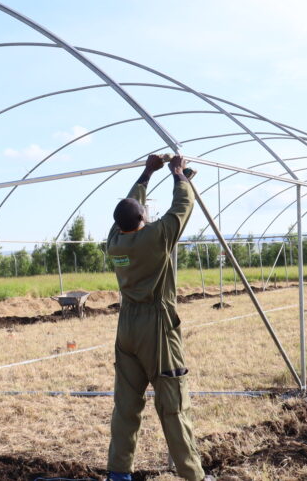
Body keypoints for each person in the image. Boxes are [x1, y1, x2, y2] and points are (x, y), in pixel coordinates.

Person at [105, 154, 212, 481]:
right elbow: (182, 208)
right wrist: (179, 175)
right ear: (142, 218)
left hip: (126, 329)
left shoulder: (115, 242)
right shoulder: (155, 238)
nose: (150, 212)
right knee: (173, 404)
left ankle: (119, 473)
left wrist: (147, 173)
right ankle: (194, 475)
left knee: (126, 405)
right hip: (157, 327)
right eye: (146, 211)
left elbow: (128, 208)